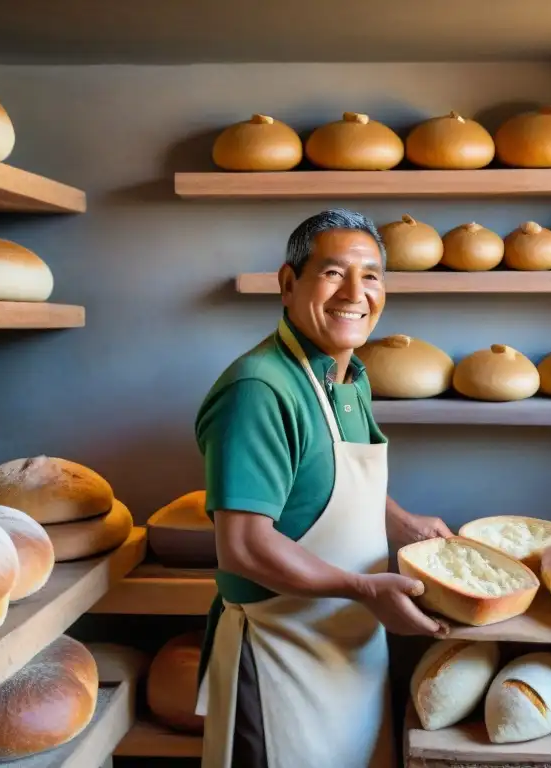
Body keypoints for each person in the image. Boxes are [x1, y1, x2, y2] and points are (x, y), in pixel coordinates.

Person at [193, 209, 453, 768]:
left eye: (372, 275)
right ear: (288, 285)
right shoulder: (259, 390)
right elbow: (242, 545)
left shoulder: (347, 375)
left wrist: (398, 521)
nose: (356, 293)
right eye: (334, 273)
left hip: (349, 648)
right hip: (280, 656)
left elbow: (321, 481)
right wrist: (363, 589)